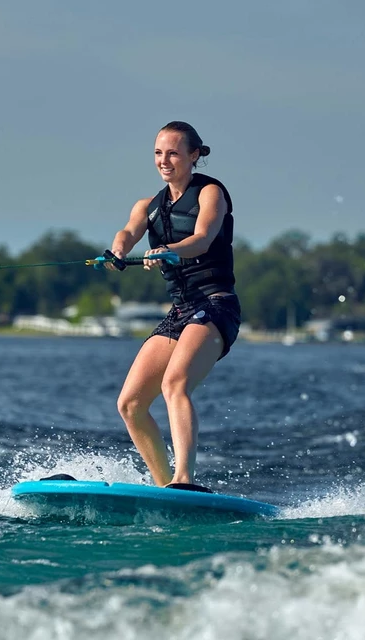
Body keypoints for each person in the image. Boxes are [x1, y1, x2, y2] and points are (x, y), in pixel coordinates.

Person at [106, 121, 241, 491]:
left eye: (173, 153)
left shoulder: (210, 193)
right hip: (181, 311)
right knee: (130, 404)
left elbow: (203, 238)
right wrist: (119, 251)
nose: (164, 161)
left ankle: (185, 479)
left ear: (194, 156)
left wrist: (168, 252)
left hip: (215, 306)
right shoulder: (148, 206)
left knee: (174, 383)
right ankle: (166, 487)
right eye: (158, 153)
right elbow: (128, 232)